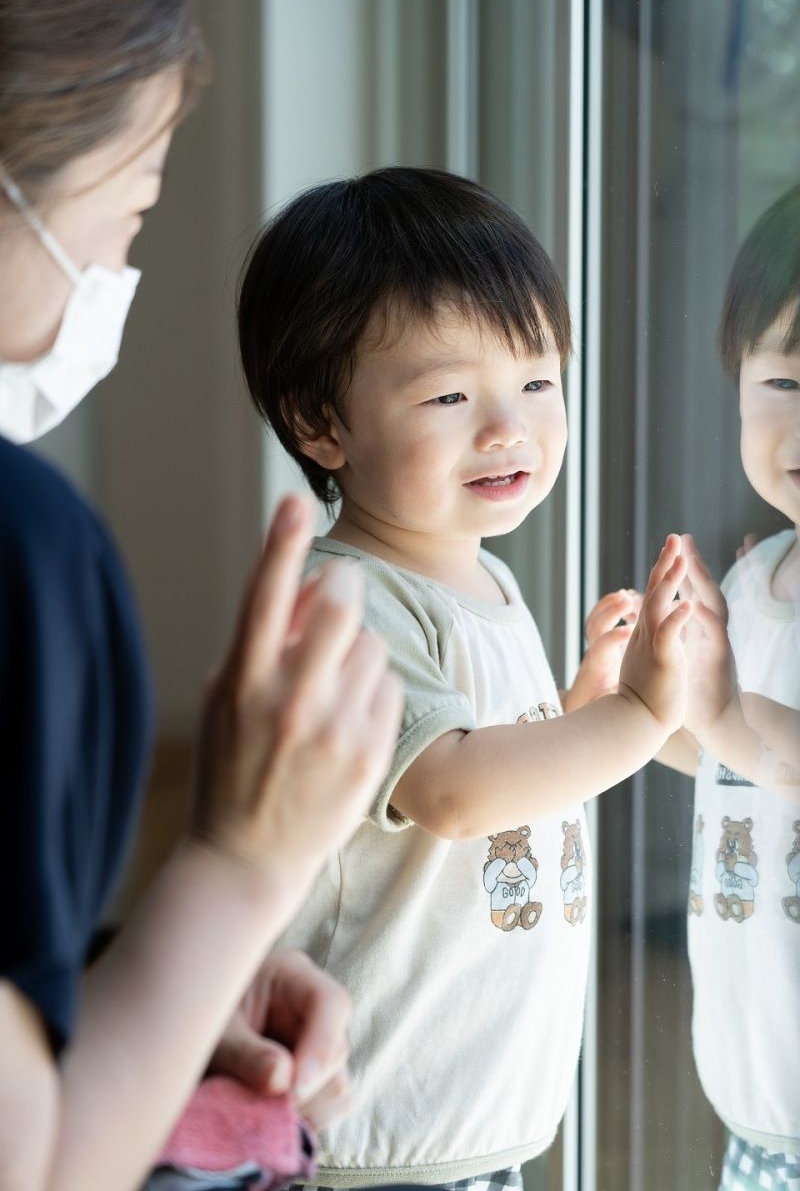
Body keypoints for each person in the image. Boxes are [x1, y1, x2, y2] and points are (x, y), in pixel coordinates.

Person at [0, 0, 403, 1189]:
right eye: (130, 213)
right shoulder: (27, 554)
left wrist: (146, 979)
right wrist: (233, 872)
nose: (121, 269)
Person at [236, 166, 691, 1190]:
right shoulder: (351, 599)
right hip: (379, 1122)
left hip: (466, 1108)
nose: (507, 426)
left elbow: (494, 765)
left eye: (535, 380)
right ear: (319, 424)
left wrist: (574, 707)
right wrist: (639, 713)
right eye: (448, 394)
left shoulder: (477, 574)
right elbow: (449, 789)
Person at [666, 186, 800, 1191]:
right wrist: (650, 711)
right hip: (756, 1101)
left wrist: (716, 713)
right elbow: (737, 762)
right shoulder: (754, 582)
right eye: (783, 382)